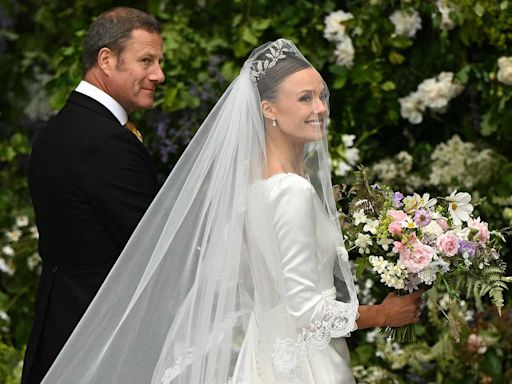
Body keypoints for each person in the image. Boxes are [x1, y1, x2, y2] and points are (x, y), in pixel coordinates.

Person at [39, 39, 421, 383]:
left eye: (322, 96)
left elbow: (232, 277)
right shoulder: (291, 191)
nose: (320, 108)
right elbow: (307, 311)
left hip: (266, 351)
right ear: (268, 108)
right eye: (305, 98)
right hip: (304, 364)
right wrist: (384, 315)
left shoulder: (252, 185)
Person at [22, 7, 165, 384]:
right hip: (101, 342)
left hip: (60, 327)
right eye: (146, 60)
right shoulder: (106, 142)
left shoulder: (60, 128)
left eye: (159, 62)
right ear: (106, 59)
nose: (158, 75)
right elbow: (154, 247)